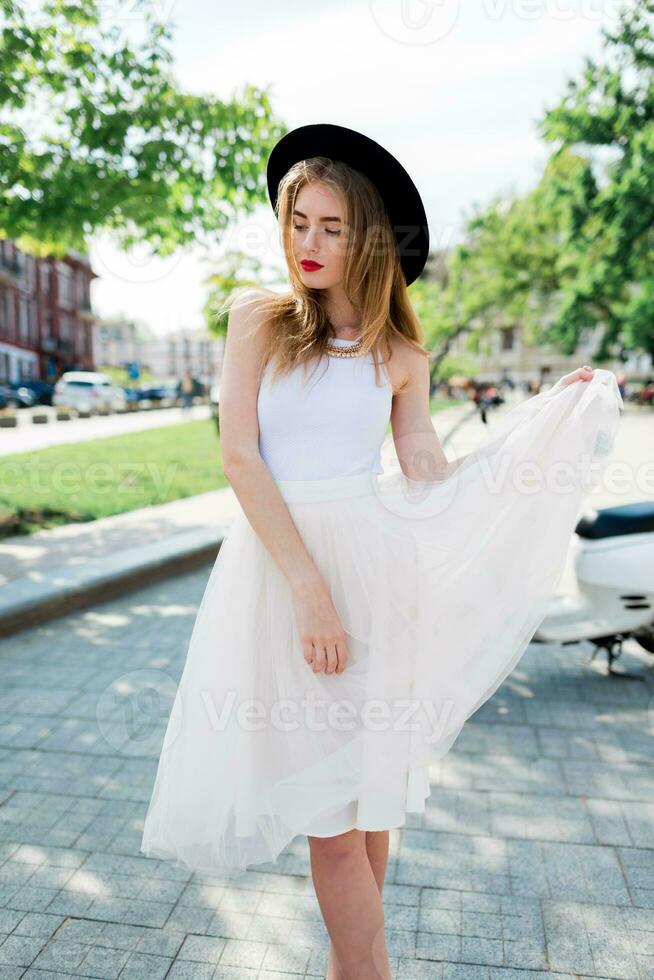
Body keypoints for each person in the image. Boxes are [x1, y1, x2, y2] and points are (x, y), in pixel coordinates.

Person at [140, 123, 623, 979]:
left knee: (369, 812)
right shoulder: (257, 318)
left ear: (367, 237)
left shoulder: (400, 353)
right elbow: (240, 459)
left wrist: (539, 424)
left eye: (331, 227)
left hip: (378, 581)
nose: (309, 245)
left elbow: (429, 474)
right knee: (331, 826)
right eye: (297, 223)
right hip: (286, 583)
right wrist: (308, 591)